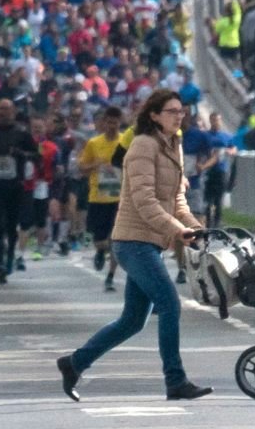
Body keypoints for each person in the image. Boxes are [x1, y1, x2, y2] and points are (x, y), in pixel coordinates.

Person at [56, 89, 212, 402]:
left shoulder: (174, 144)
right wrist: (176, 230)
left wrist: (194, 225)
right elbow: (144, 200)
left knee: (132, 321)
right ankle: (175, 381)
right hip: (132, 241)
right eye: (171, 111)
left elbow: (175, 197)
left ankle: (74, 363)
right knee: (170, 304)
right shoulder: (143, 145)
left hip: (151, 242)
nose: (178, 116)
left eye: (181, 112)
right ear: (154, 115)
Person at [0, 99, 38, 284]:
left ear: (13, 112)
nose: (3, 113)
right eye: (0, 109)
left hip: (16, 187)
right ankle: (0, 265)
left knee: (11, 225)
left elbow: (37, 156)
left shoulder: (22, 134)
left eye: (6, 109)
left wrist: (22, 154)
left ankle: (10, 255)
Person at [78, 106, 125, 291]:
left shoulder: (125, 142)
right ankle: (99, 251)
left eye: (115, 122)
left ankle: (110, 276)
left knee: (116, 239)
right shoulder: (94, 143)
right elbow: (82, 168)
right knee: (100, 240)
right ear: (103, 123)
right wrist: (95, 164)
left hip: (119, 198)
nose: (112, 125)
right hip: (98, 197)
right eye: (109, 122)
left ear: (119, 123)